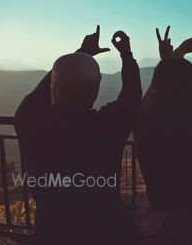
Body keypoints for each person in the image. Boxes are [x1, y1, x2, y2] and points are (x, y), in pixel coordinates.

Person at [14, 26, 142, 244]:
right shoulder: (107, 127)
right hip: (105, 230)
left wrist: (81, 53)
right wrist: (126, 55)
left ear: (53, 88)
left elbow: (38, 96)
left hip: (52, 231)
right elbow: (132, 95)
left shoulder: (30, 122)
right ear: (95, 91)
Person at [134, 26, 192, 245]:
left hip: (159, 228)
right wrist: (178, 58)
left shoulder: (145, 126)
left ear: (157, 88)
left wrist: (172, 59)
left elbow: (144, 107)